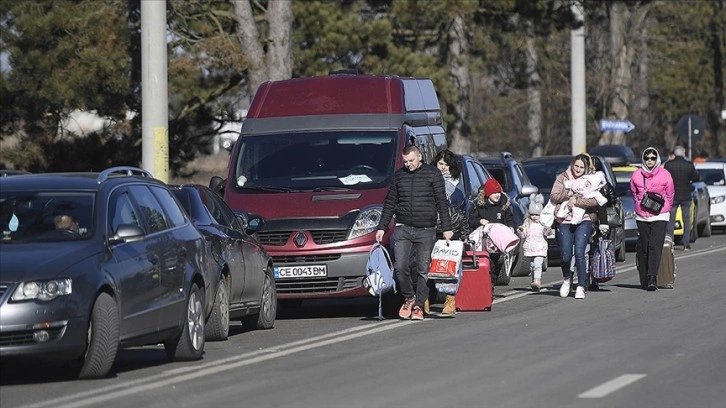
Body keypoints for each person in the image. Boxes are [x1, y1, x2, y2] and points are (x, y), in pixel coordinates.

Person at [375, 145, 453, 320]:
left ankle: (418, 305)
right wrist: (381, 227)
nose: (408, 164)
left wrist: (447, 229)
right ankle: (409, 298)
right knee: (401, 267)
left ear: (419, 158)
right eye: (405, 162)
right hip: (403, 228)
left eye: (411, 161)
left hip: (426, 229)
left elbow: (442, 202)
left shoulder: (433, 174)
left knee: (423, 270)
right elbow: (390, 203)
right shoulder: (399, 176)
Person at [550, 154, 598, 299]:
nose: (578, 169)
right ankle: (566, 279)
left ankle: (581, 286)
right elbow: (554, 196)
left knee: (579, 252)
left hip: (584, 220)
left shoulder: (590, 180)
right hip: (564, 220)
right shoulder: (562, 178)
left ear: (586, 168)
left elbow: (595, 200)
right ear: (572, 165)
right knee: (565, 255)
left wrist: (576, 201)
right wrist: (567, 194)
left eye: (581, 167)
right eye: (576, 166)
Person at [631, 147, 674, 290]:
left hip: (660, 215)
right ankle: (644, 277)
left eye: (653, 158)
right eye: (647, 158)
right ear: (643, 159)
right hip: (642, 215)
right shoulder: (636, 175)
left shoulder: (665, 174)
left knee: (654, 246)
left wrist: (664, 207)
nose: (650, 160)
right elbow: (634, 192)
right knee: (644, 247)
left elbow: (670, 194)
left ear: (657, 159)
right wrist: (639, 202)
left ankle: (652, 278)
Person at [430, 149, 466, 316]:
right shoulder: (428, 183)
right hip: (431, 229)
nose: (443, 167)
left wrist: (465, 235)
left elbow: (464, 213)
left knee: (449, 266)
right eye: (440, 164)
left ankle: (449, 299)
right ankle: (424, 299)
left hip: (452, 232)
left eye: (446, 164)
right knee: (427, 266)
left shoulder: (458, 188)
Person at [468, 178, 515, 292]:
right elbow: (470, 220)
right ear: (488, 194)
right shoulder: (480, 206)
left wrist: (511, 228)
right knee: (487, 263)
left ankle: (490, 286)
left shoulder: (504, 205)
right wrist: (480, 221)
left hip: (498, 242)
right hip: (483, 242)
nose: (497, 195)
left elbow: (509, 219)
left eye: (498, 192)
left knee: (495, 263)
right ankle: (487, 287)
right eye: (494, 193)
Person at [663, 145, 699, 250]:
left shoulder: (669, 165)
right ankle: (686, 244)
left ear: (674, 154)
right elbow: (696, 177)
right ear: (683, 153)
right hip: (686, 196)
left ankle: (670, 244)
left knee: (671, 221)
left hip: (672, 196)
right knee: (686, 220)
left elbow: (665, 179)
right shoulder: (689, 165)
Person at [517, 193, 550, 292]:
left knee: (537, 264)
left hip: (540, 247)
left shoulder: (542, 223)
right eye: (532, 214)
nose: (534, 217)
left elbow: (546, 233)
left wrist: (547, 228)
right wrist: (521, 231)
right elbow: (524, 235)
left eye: (536, 215)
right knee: (532, 266)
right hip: (530, 247)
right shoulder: (527, 223)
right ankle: (534, 282)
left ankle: (537, 280)